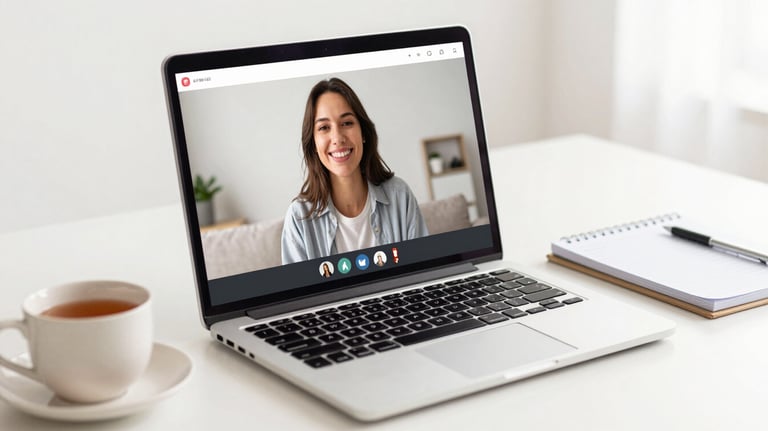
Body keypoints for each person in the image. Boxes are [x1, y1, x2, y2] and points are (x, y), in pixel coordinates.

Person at [281, 78, 428, 264]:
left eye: (347, 123)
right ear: (313, 144)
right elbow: (302, 292)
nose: (337, 138)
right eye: (324, 127)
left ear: (364, 133)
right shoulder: (298, 218)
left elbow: (423, 269)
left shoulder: (400, 196)